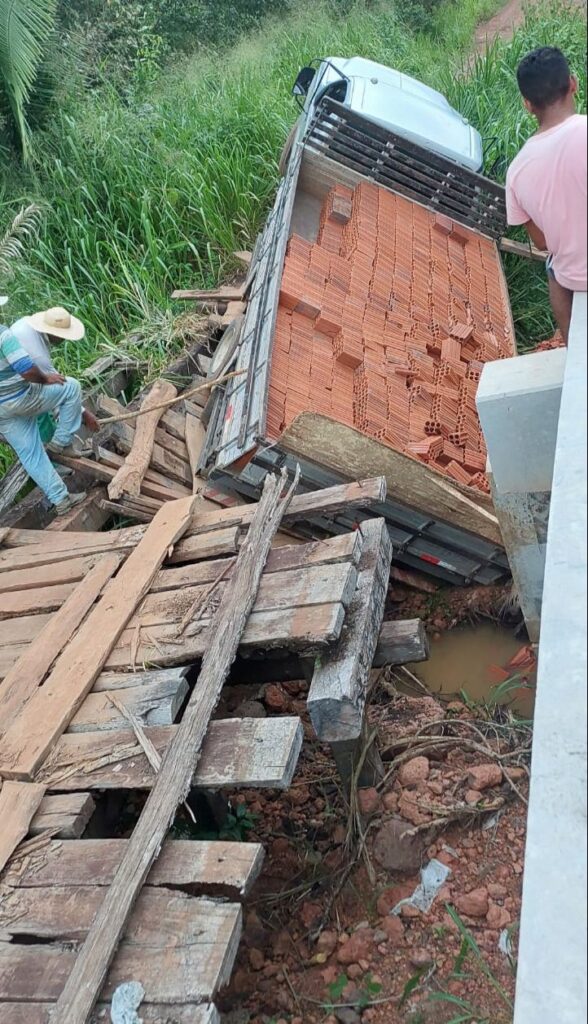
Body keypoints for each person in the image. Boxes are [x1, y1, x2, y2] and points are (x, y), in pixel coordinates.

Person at [506, 46, 587, 344]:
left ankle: (574, 347)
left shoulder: (516, 172)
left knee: (554, 269)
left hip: (574, 280)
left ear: (528, 105)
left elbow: (542, 242)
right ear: (573, 83)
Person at [0, 306, 97, 515]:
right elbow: (27, 369)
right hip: (20, 396)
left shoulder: (22, 327)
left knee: (31, 453)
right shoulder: (3, 333)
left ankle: (61, 500)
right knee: (71, 387)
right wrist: (45, 379)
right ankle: (61, 444)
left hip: (2, 410)